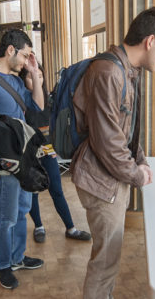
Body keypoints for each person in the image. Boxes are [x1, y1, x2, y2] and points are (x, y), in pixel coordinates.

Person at [70, 7, 155, 299]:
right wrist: (136, 174)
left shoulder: (126, 69)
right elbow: (107, 142)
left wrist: (140, 159)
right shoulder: (108, 72)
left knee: (108, 260)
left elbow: (123, 130)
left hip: (108, 177)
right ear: (150, 41)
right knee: (104, 263)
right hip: (101, 182)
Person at [0, 29, 45, 289]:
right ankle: (2, 264)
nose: (26, 60)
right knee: (6, 217)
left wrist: (34, 74)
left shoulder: (17, 81)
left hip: (23, 159)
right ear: (10, 51)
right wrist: (9, 135)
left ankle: (17, 257)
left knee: (22, 210)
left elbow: (37, 107)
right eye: (25, 55)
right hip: (5, 161)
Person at [19, 65, 91, 243]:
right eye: (31, 77)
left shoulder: (51, 100)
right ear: (23, 80)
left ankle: (71, 228)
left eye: (40, 76)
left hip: (48, 153)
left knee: (57, 191)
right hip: (29, 156)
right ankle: (39, 226)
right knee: (33, 192)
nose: (37, 80)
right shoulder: (20, 102)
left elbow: (56, 128)